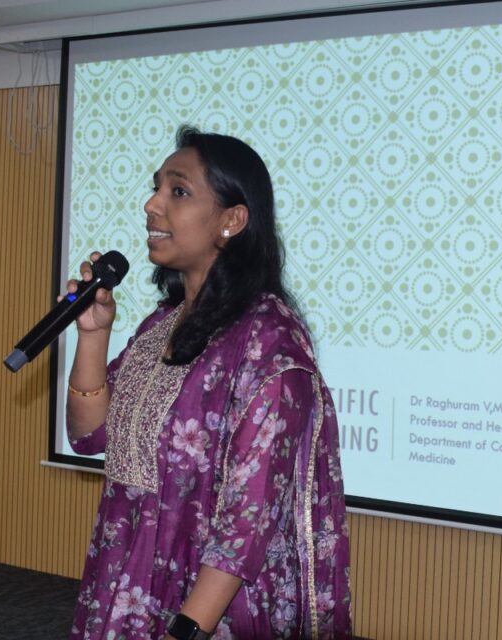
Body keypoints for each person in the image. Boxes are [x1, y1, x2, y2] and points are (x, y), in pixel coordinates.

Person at [65, 126, 351, 639]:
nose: (152, 204)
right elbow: (88, 435)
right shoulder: (161, 325)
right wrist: (94, 335)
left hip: (209, 609)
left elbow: (249, 520)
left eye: (177, 191)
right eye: (156, 188)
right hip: (127, 581)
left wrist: (186, 630)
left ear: (232, 220)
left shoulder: (269, 342)